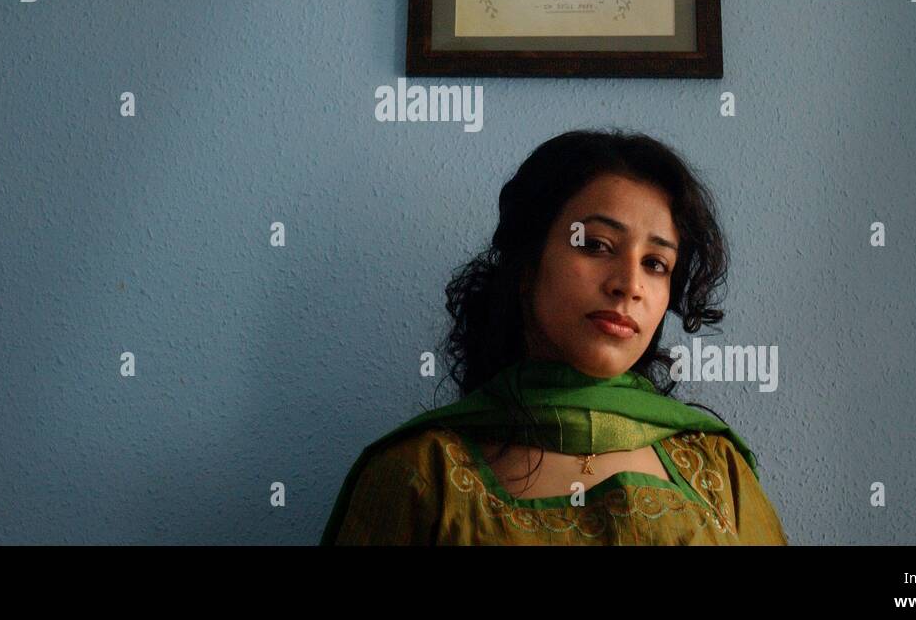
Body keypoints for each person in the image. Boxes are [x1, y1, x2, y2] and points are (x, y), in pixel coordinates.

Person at [320, 129, 788, 545]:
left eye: (655, 263)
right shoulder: (422, 474)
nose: (629, 284)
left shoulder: (717, 469)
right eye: (597, 246)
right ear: (527, 265)